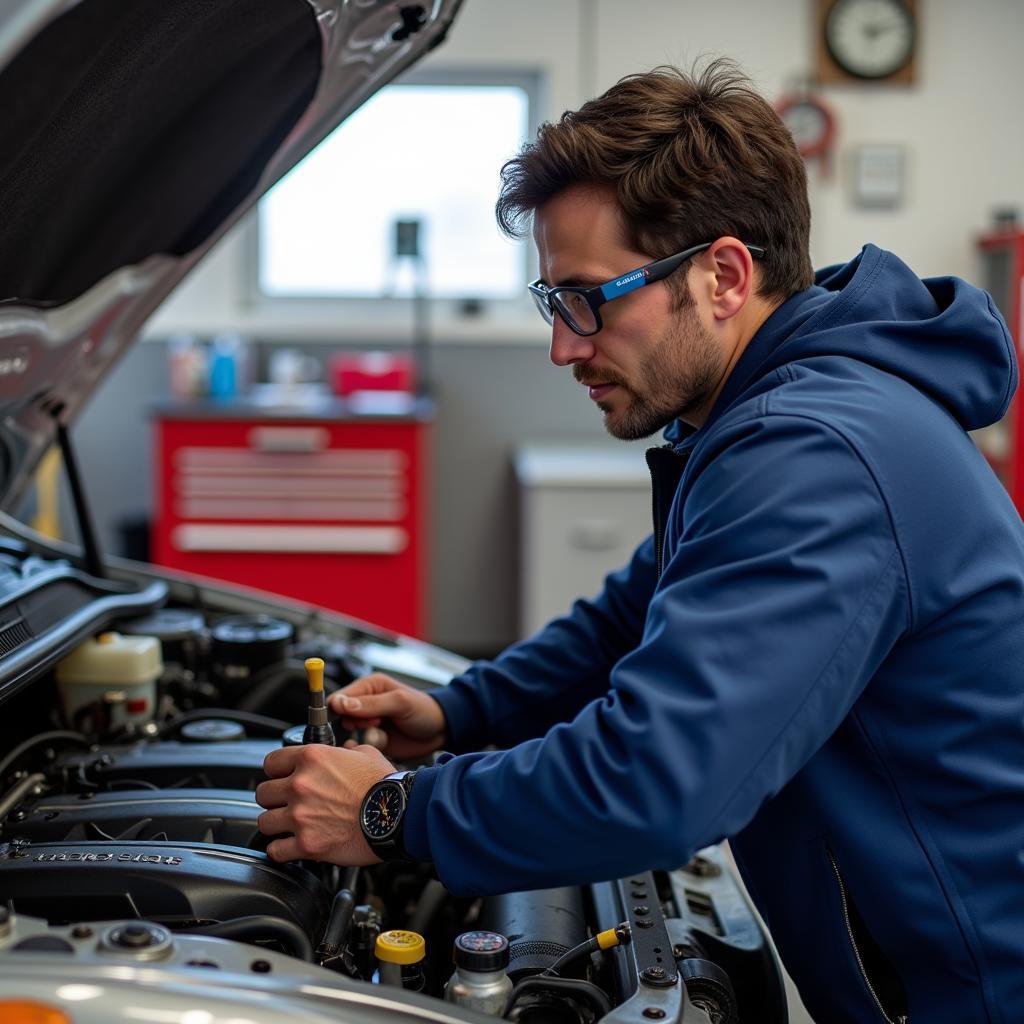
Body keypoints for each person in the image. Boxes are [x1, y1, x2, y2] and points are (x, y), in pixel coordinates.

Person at [256, 60, 1024, 1022]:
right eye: (553, 303)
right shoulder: (772, 411)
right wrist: (461, 712)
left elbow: (656, 782)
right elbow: (634, 614)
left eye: (590, 299)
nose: (564, 346)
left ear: (724, 275)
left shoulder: (816, 452)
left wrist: (392, 813)